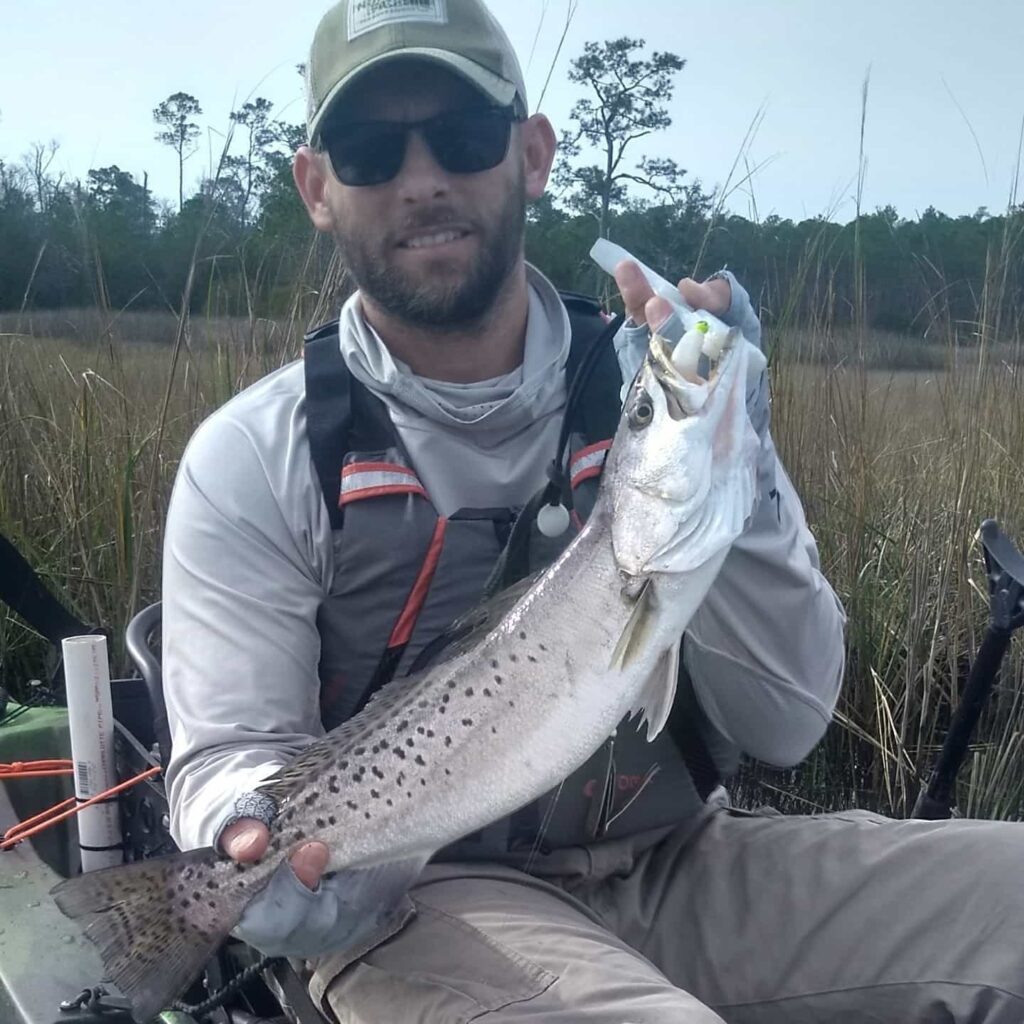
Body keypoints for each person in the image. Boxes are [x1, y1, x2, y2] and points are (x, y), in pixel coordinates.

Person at [161, 1, 1024, 1020]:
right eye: (367, 149)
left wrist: (731, 439)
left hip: (677, 862)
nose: (422, 177)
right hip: (411, 899)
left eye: (465, 135)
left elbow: (786, 721)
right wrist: (252, 843)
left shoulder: (647, 393)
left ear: (531, 155)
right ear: (316, 186)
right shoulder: (256, 454)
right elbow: (226, 760)